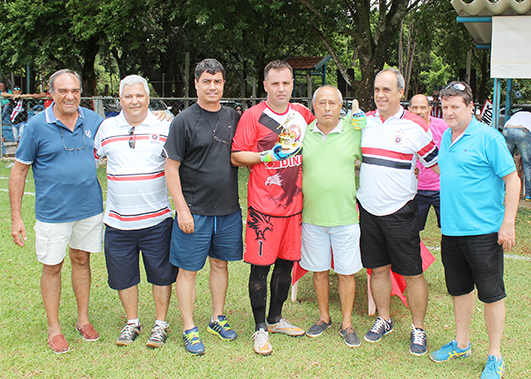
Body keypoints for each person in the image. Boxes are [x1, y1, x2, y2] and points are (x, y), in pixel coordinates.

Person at [9, 69, 104, 354]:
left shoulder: (94, 120)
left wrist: (160, 117)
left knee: (82, 260)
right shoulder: (37, 126)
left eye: (75, 90)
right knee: (52, 267)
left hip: (89, 208)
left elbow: (126, 124)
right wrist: (16, 218)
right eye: (63, 91)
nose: (70, 96)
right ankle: (54, 328)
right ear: (51, 93)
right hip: (53, 212)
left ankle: (83, 320)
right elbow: (19, 171)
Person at [430, 82, 520, 379]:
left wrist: (507, 223)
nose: (450, 112)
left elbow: (512, 180)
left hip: (484, 233)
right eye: (445, 106)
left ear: (471, 108)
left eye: (456, 106)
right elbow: (450, 170)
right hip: (452, 231)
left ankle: (494, 355)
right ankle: (462, 343)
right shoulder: (445, 136)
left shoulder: (488, 138)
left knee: (491, 294)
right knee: (459, 289)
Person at [231, 60, 315, 355]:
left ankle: (276, 318)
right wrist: (267, 155)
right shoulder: (253, 116)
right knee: (260, 269)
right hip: (264, 210)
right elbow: (237, 156)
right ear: (265, 85)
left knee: (286, 266)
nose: (281, 88)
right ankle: (259, 328)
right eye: (275, 83)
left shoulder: (303, 114)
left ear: (293, 84)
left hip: (295, 206)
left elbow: (324, 135)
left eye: (286, 83)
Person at [356, 68, 439, 356]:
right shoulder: (363, 122)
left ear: (400, 93)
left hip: (401, 210)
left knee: (412, 273)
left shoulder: (415, 125)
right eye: (377, 89)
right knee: (377, 269)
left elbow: (436, 164)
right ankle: (384, 318)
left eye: (387, 90)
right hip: (367, 209)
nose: (380, 95)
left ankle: (418, 328)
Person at [163, 59, 242, 355]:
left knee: (220, 264)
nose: (212, 87)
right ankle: (188, 327)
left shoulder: (233, 117)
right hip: (194, 211)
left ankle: (216, 318)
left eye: (217, 81)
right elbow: (171, 168)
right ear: (195, 84)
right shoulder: (183, 120)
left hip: (228, 210)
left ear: (223, 84)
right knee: (189, 270)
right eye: (206, 81)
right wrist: (182, 209)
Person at [94, 75, 177, 348]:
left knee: (162, 275)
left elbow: (179, 164)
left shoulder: (165, 126)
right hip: (118, 222)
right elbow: (91, 162)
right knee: (123, 276)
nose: (134, 101)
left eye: (139, 95)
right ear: (120, 100)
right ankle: (132, 322)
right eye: (128, 96)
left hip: (157, 220)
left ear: (148, 98)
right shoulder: (106, 128)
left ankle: (160, 324)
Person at [300, 85, 364, 347]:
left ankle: (346, 323)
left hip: (346, 217)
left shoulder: (355, 131)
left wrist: (363, 118)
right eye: (322, 103)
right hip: (312, 218)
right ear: (313, 107)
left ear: (341, 107)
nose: (327, 108)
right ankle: (324, 317)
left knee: (347, 273)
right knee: (318, 271)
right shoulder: (303, 134)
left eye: (332, 103)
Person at [408, 94, 449, 230]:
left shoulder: (443, 127)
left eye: (423, 107)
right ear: (409, 109)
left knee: (449, 229)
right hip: (415, 190)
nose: (419, 111)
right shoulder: (402, 129)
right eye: (415, 107)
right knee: (412, 231)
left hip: (440, 188)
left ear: (429, 109)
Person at [502, 110, 531, 201]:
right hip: (523, 131)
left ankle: (504, 191)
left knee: (507, 163)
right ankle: (528, 195)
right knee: (527, 165)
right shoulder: (529, 117)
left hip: (507, 130)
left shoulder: (516, 115)